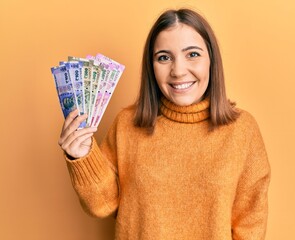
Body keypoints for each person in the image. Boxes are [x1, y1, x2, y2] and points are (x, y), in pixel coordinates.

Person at [58, 8, 271, 240]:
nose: (178, 71)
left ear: (212, 59)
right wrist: (83, 157)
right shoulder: (127, 125)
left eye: (192, 54)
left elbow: (251, 227)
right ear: (152, 66)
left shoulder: (242, 130)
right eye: (164, 57)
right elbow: (102, 205)